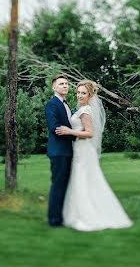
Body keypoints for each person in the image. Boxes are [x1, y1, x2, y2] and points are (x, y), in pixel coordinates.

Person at [55, 80, 132, 231]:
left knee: (83, 180)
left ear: (90, 95)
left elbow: (89, 133)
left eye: (83, 93)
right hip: (79, 149)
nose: (79, 95)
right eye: (78, 92)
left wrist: (69, 131)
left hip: (84, 150)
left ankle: (88, 216)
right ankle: (78, 214)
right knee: (82, 180)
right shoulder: (81, 109)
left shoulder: (86, 111)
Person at [44, 74, 74, 227]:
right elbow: (54, 127)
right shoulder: (51, 104)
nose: (65, 86)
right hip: (59, 151)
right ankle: (54, 220)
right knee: (58, 184)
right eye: (61, 83)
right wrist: (73, 133)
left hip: (68, 150)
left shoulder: (66, 104)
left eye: (67, 84)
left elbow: (68, 126)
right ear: (54, 87)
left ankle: (62, 216)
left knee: (65, 185)